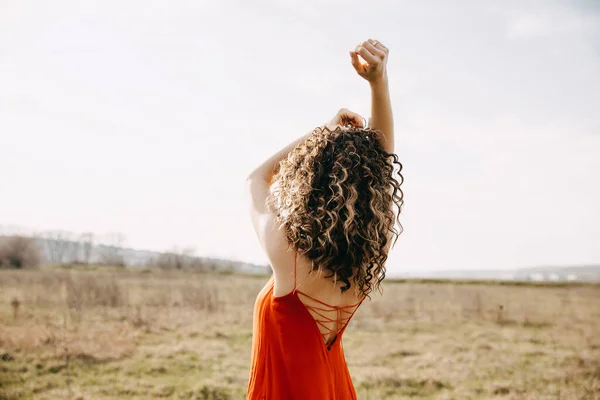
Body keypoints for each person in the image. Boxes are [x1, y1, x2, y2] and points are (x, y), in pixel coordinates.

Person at [245, 38, 404, 399]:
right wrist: (380, 83)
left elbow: (256, 178)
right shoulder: (369, 255)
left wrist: (324, 130)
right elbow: (378, 167)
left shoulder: (288, 256)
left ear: (312, 181)